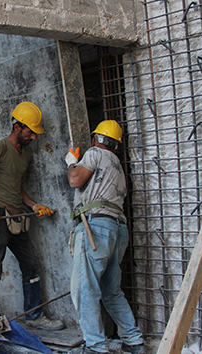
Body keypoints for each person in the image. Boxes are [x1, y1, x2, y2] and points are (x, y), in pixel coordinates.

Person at [0, 101, 64, 331]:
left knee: (31, 267)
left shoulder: (25, 155)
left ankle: (34, 315)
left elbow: (17, 187)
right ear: (17, 127)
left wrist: (34, 205)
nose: (34, 138)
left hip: (18, 218)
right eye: (31, 132)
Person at [66, 120, 145, 354]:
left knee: (84, 289)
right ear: (117, 145)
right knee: (111, 290)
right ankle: (133, 341)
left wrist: (72, 163)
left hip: (95, 227)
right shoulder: (118, 167)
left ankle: (95, 347)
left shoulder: (95, 153)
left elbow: (75, 180)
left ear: (95, 139)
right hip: (118, 229)